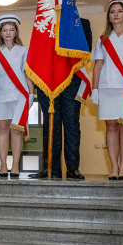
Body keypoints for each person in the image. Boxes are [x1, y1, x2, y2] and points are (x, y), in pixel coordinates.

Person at [29, 18, 93, 181]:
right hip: (48, 79)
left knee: (71, 123)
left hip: (71, 79)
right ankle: (50, 167)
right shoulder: (43, 23)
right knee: (50, 124)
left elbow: (86, 50)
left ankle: (72, 168)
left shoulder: (80, 23)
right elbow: (36, 52)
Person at [90, 0, 123, 180]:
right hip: (107, 87)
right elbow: (98, 66)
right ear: (108, 16)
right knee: (110, 127)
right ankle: (114, 167)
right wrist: (95, 90)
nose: (115, 14)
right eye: (112, 12)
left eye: (119, 11)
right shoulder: (103, 39)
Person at [0, 15, 29, 178]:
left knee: (16, 130)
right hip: (0, 93)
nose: (8, 33)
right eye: (5, 30)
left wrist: (31, 93)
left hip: (19, 93)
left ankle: (15, 165)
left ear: (16, 32)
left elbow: (27, 74)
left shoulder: (24, 50)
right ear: (0, 32)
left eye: (11, 29)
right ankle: (3, 165)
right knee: (2, 128)